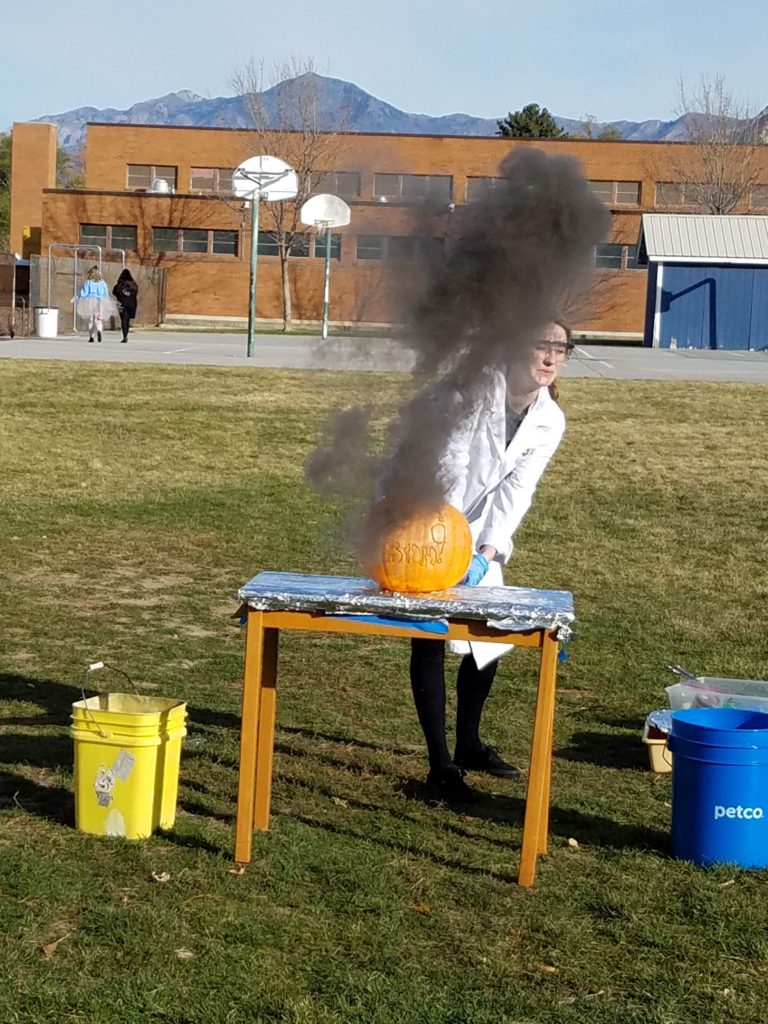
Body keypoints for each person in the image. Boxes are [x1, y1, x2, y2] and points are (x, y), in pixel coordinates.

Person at [409, 319, 573, 803]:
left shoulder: (549, 419)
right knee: (430, 633)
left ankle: (470, 744)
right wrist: (444, 547)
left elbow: (516, 492)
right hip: (420, 510)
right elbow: (447, 471)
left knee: (493, 633)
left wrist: (486, 552)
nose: (549, 356)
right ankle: (440, 767)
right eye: (541, 344)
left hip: (475, 530)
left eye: (560, 349)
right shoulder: (471, 392)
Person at [75, 265, 111, 343]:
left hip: (90, 301)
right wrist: (106, 301)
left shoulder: (88, 282)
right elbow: (106, 293)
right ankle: (99, 330)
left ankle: (91, 337)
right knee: (98, 319)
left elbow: (83, 293)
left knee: (91, 320)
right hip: (100, 301)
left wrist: (76, 298)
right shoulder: (103, 283)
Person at [112, 268, 139, 343]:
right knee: (127, 320)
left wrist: (120, 296)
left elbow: (114, 292)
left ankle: (125, 336)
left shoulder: (119, 284)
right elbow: (136, 292)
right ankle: (126, 333)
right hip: (131, 304)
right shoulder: (134, 285)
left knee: (123, 319)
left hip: (121, 303)